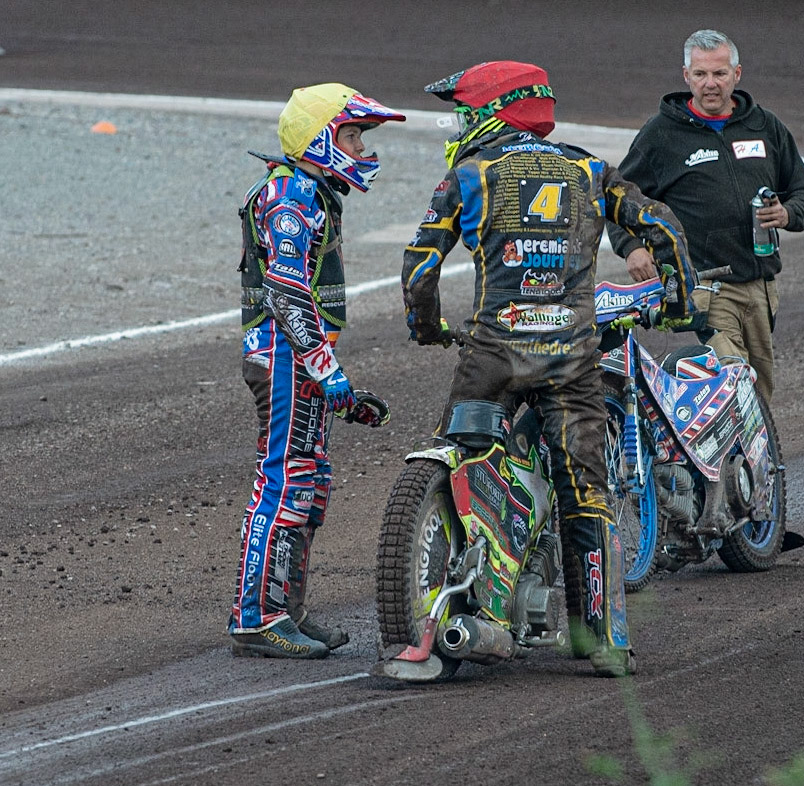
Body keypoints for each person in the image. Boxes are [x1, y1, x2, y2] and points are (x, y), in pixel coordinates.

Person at [397, 61, 696, 676]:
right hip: (569, 359)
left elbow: (421, 266)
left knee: (465, 461)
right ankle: (602, 641)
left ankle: (472, 601)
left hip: (491, 358)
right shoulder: (588, 169)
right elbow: (662, 222)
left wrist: (425, 326)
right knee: (584, 493)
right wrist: (679, 301)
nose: (459, 122)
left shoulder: (470, 174)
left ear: (492, 110)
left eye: (464, 110)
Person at [229, 83, 405, 658]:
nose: (360, 149)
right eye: (351, 135)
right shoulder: (289, 195)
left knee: (307, 484)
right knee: (283, 482)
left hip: (294, 357)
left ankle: (286, 615)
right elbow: (285, 291)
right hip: (284, 356)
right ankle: (256, 619)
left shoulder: (308, 192)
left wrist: (336, 384)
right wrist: (328, 372)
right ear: (319, 138)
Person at [608, 29, 804, 403]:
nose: (710, 84)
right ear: (686, 76)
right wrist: (631, 248)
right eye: (701, 74)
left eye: (720, 74)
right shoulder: (661, 135)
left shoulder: (765, 126)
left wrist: (788, 213)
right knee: (733, 378)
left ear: (736, 75)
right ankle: (721, 460)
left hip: (761, 286)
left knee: (758, 391)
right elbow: (617, 200)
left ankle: (755, 462)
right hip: (706, 286)